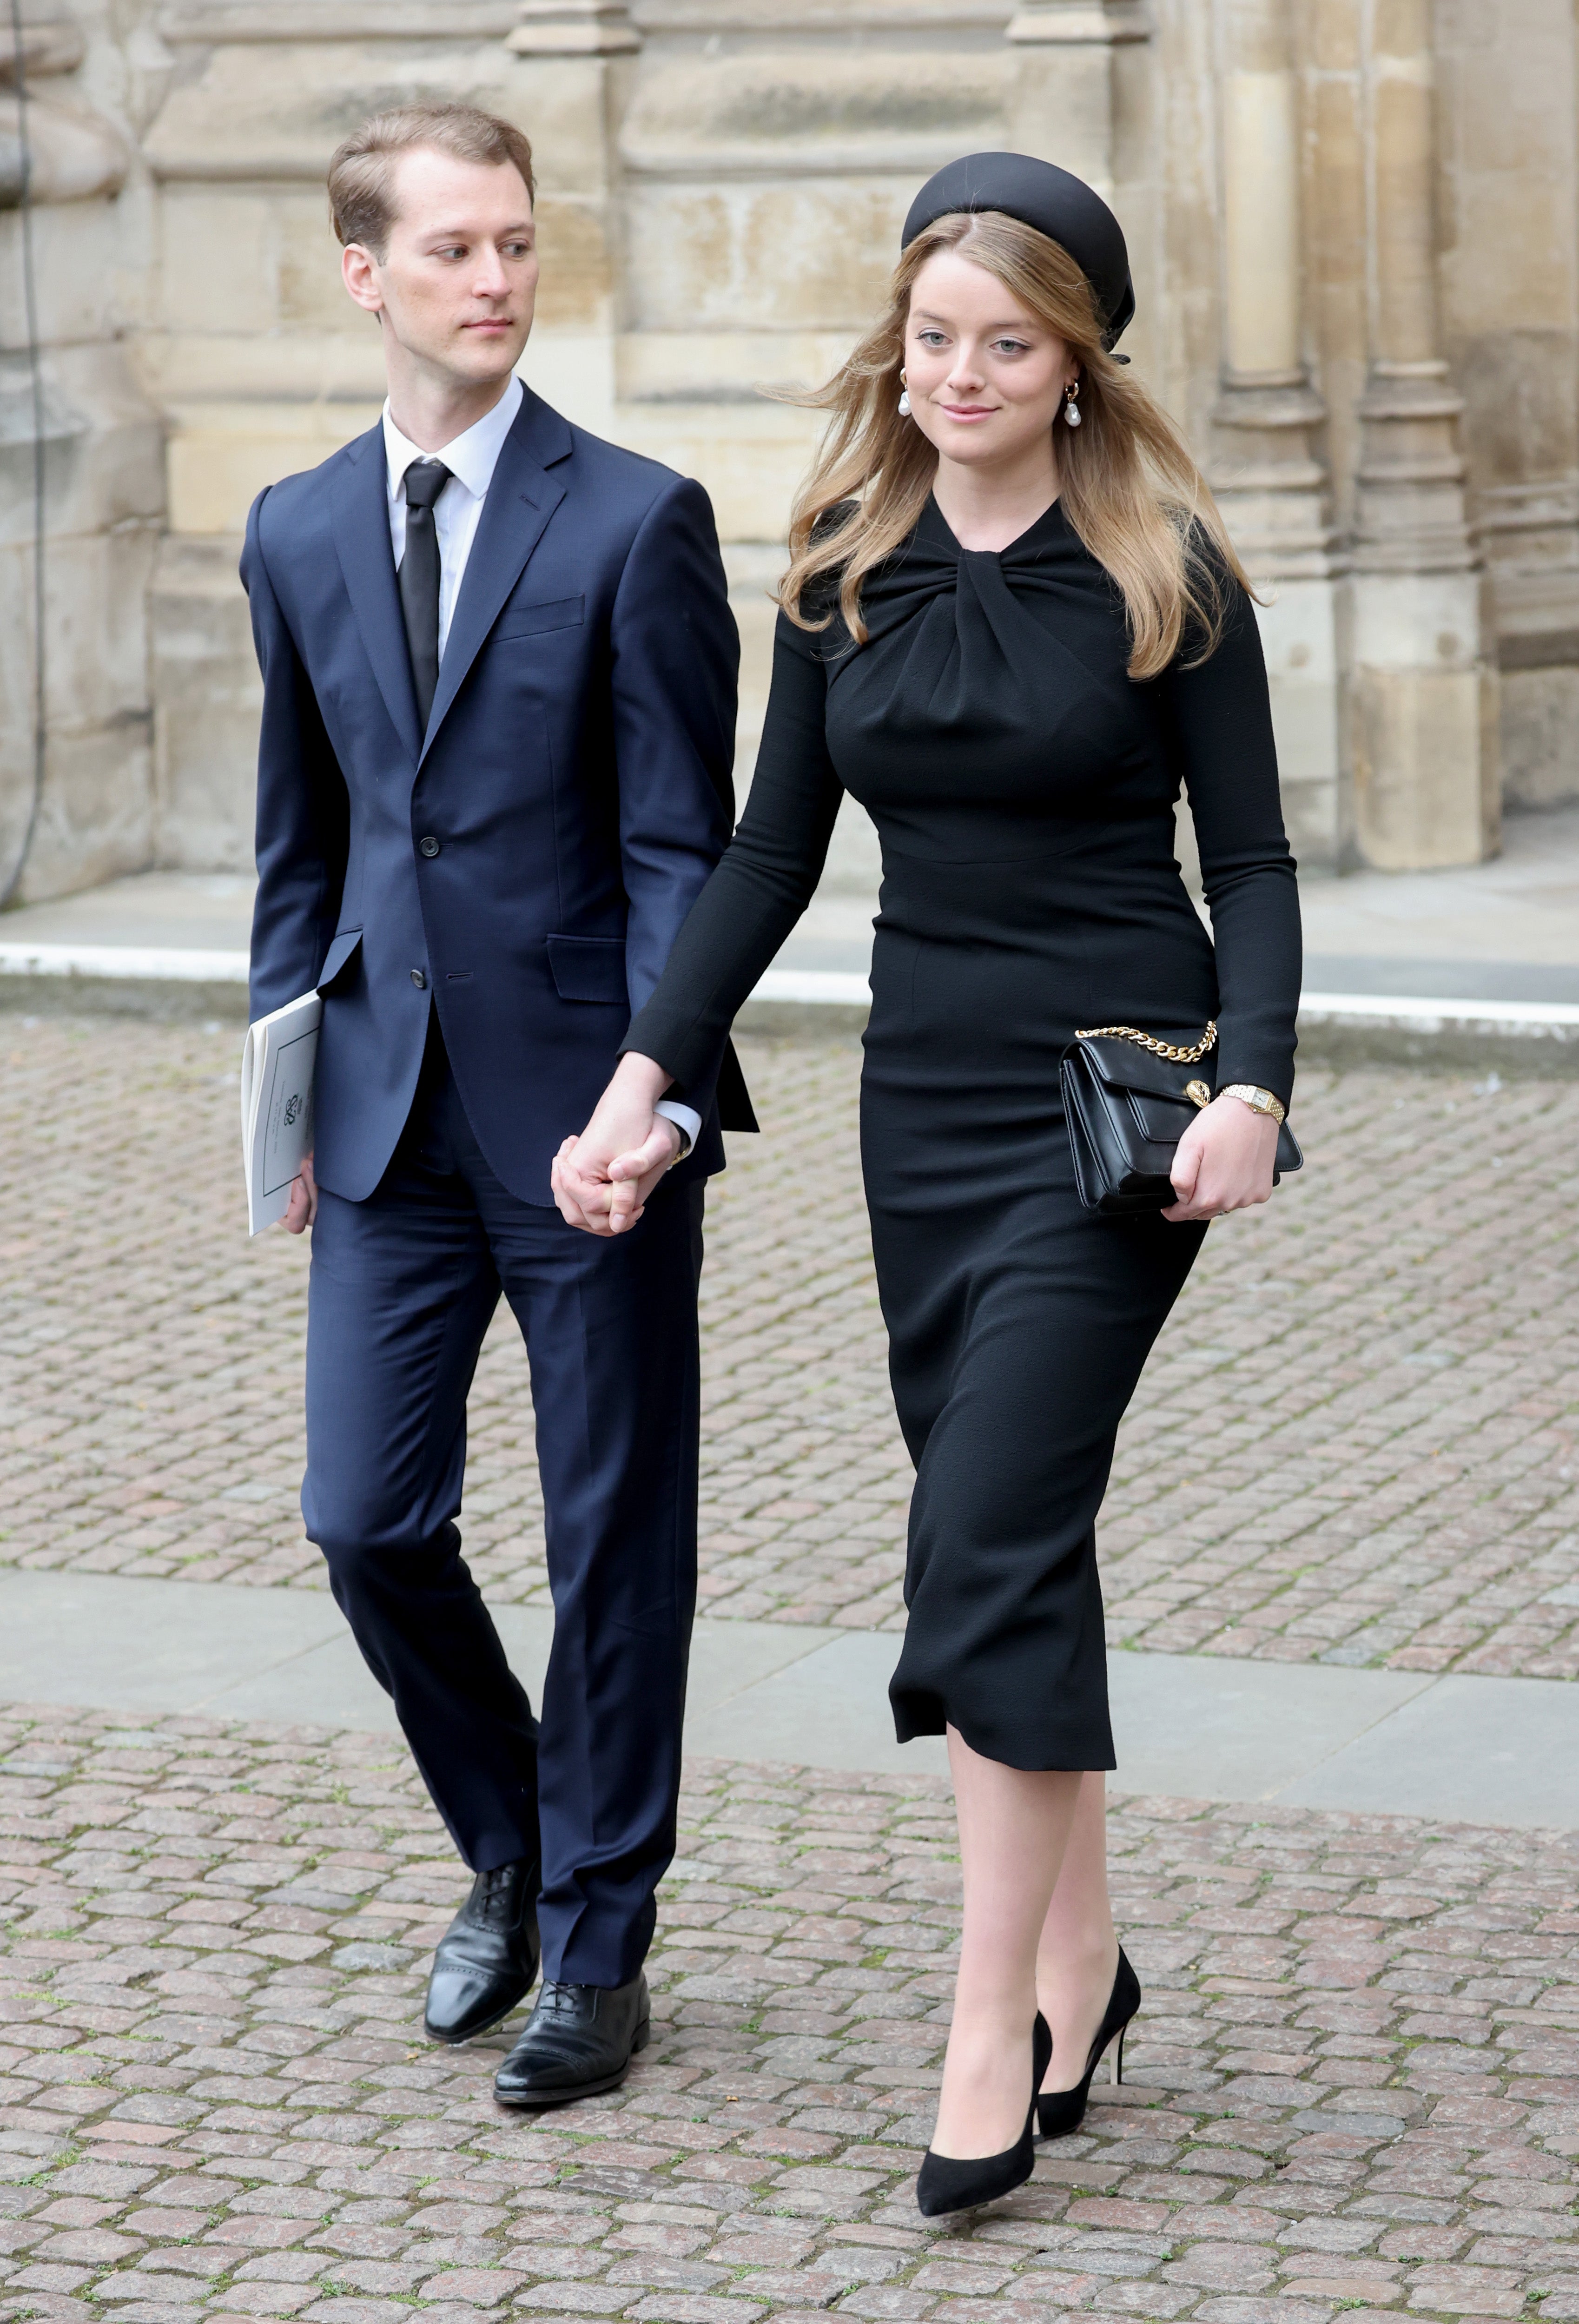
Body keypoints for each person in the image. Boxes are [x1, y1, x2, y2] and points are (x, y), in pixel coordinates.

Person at [553, 152, 1301, 2209]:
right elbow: (765, 859)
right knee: (1014, 1539)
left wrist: (1257, 1082)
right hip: (922, 1106)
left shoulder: (1164, 563)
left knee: (977, 1536)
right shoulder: (834, 556)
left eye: (1005, 342)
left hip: (1111, 1113)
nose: (957, 370)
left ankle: (982, 2024)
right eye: (934, 333)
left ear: (1075, 363)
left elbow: (1248, 862)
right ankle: (1084, 1961)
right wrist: (642, 1077)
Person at [243, 100, 752, 2108]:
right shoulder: (291, 526)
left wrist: (656, 1102)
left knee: (616, 1530)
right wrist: (284, 1105)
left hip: (589, 1120)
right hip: (382, 1116)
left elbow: (677, 854)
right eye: (454, 249)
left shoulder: (633, 516)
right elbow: (302, 846)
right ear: (365, 272)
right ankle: (514, 1841)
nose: (495, 280)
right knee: (362, 1517)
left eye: (518, 245)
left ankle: (603, 1937)